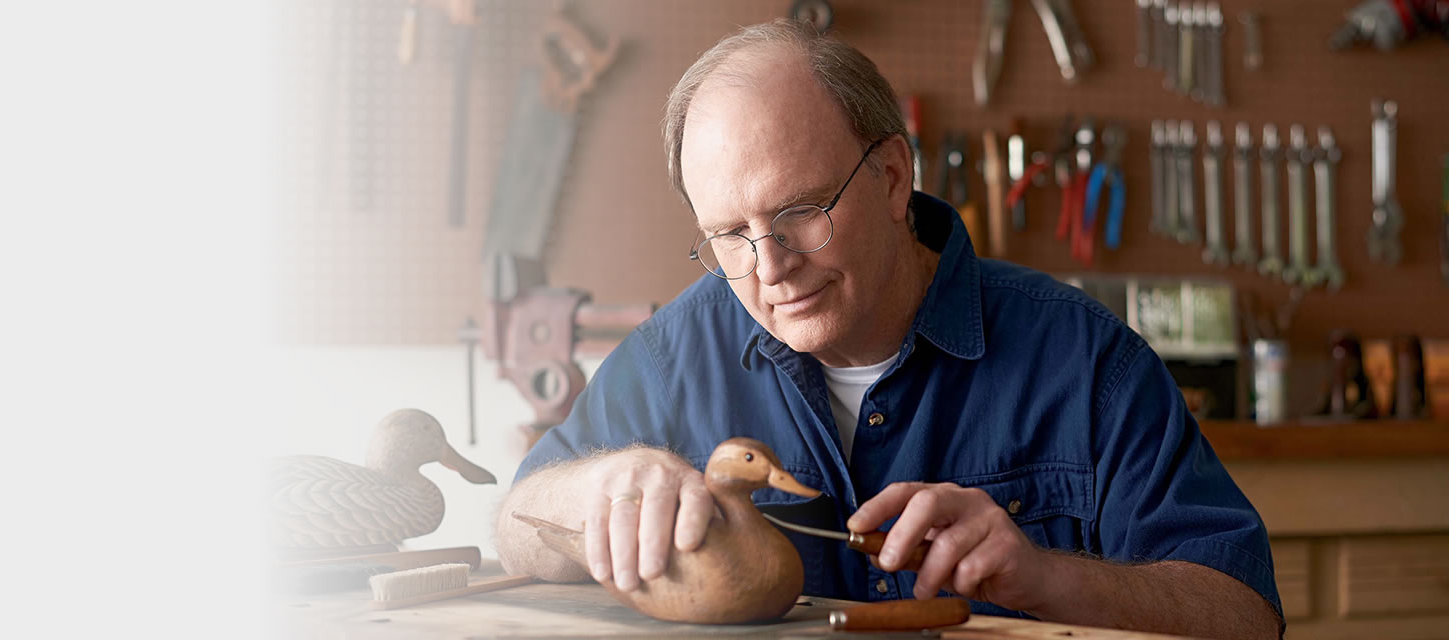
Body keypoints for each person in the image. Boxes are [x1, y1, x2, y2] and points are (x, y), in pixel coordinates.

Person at [493, 20, 1280, 640]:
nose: (770, 268)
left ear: (894, 177)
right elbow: (514, 528)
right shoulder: (674, 355)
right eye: (730, 234)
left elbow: (1245, 617)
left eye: (801, 211)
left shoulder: (1084, 358)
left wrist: (1046, 577)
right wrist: (600, 486)